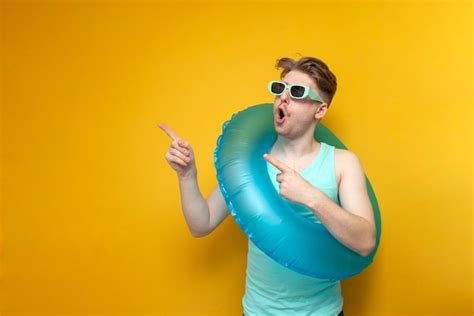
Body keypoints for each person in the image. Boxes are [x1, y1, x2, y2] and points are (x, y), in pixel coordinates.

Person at [159, 56, 376, 316]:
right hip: (258, 312)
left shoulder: (342, 163)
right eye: (279, 89)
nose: (283, 98)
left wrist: (310, 196)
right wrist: (186, 175)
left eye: (297, 92)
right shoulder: (250, 163)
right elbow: (201, 224)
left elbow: (365, 241)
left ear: (320, 110)